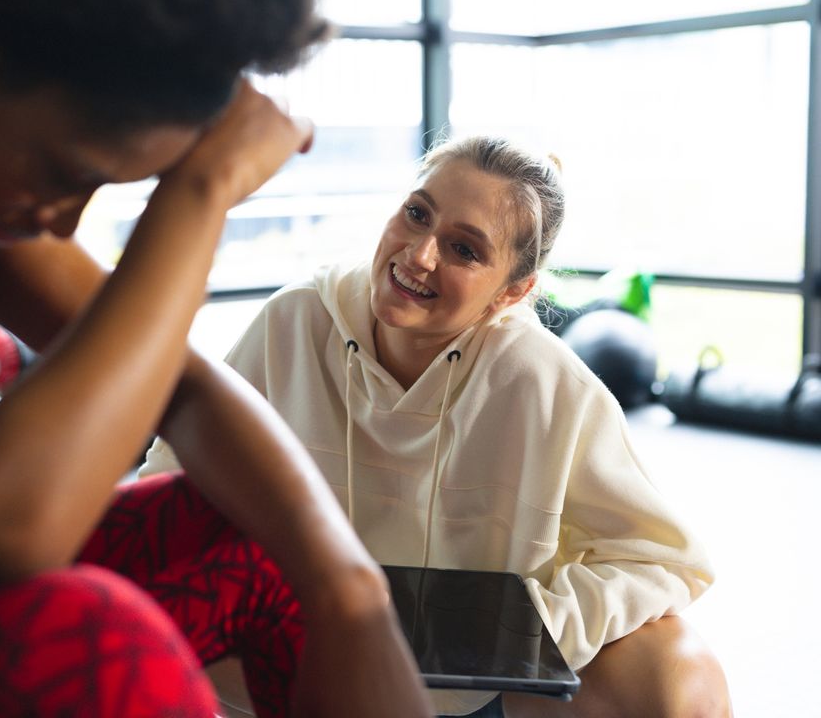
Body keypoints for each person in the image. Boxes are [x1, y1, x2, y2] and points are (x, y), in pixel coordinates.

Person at [0, 0, 435, 716]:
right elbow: (6, 523)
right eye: (63, 171)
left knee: (255, 521)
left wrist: (350, 590)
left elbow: (184, 381)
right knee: (86, 635)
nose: (64, 220)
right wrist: (197, 196)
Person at [142, 136, 733, 717]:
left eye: (464, 250)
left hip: (473, 690)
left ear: (513, 292)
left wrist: (517, 634)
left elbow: (665, 558)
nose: (419, 255)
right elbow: (168, 487)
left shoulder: (544, 382)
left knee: (679, 671)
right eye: (417, 214)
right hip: (317, 664)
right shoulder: (292, 322)